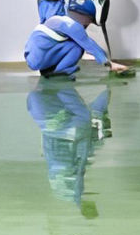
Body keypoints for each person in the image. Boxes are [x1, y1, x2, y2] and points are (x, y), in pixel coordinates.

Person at [29, 81, 111, 216]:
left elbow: (77, 175)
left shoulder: (64, 183)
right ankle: (107, 90)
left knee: (95, 112)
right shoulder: (62, 182)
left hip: (65, 138)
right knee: (95, 112)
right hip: (65, 139)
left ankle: (107, 90)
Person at [24, 0, 131, 77]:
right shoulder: (72, 25)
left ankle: (50, 71)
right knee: (78, 47)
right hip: (38, 56)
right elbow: (88, 44)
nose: (88, 25)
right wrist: (110, 64)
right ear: (85, 17)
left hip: (33, 54)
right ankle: (61, 71)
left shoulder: (60, 19)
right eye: (90, 21)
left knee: (72, 44)